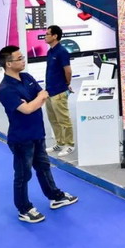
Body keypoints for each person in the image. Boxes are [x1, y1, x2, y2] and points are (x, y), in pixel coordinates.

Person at [0, 45, 78, 223]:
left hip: (37, 133)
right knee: (23, 175)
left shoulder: (26, 77)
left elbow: (43, 94)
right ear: (8, 64)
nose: (23, 60)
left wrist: (33, 101)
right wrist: (35, 101)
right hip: (21, 138)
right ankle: (24, 209)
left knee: (44, 167)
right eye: (19, 58)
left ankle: (55, 196)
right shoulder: (5, 89)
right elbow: (27, 109)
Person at [44, 25, 75, 157]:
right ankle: (60, 142)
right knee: (53, 120)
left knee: (64, 120)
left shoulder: (62, 52)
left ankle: (70, 145)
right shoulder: (50, 52)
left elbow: (68, 71)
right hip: (49, 91)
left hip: (59, 91)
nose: (45, 36)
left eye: (47, 34)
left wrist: (66, 84)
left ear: (55, 36)